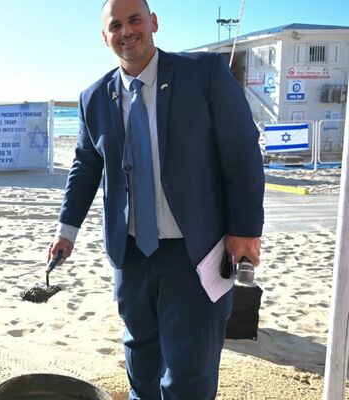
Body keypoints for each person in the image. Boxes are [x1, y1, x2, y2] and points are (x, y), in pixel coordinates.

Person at [47, 0, 264, 398]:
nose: (127, 31)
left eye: (135, 20)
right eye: (116, 25)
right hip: (131, 255)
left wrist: (245, 230)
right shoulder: (93, 97)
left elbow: (243, 151)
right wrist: (67, 230)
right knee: (140, 364)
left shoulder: (205, 75)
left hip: (196, 252)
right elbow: (85, 167)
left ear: (154, 22)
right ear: (105, 36)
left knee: (189, 373)